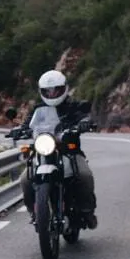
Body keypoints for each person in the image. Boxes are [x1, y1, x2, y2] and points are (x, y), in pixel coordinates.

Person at [15, 69, 98, 229]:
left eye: (56, 90)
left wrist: (85, 122)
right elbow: (28, 123)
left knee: (85, 175)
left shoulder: (73, 106)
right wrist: (21, 129)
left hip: (70, 151)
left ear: (64, 89)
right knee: (25, 180)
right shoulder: (38, 110)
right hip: (43, 152)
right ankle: (35, 212)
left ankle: (87, 211)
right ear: (42, 92)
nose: (52, 94)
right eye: (48, 91)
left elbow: (83, 116)